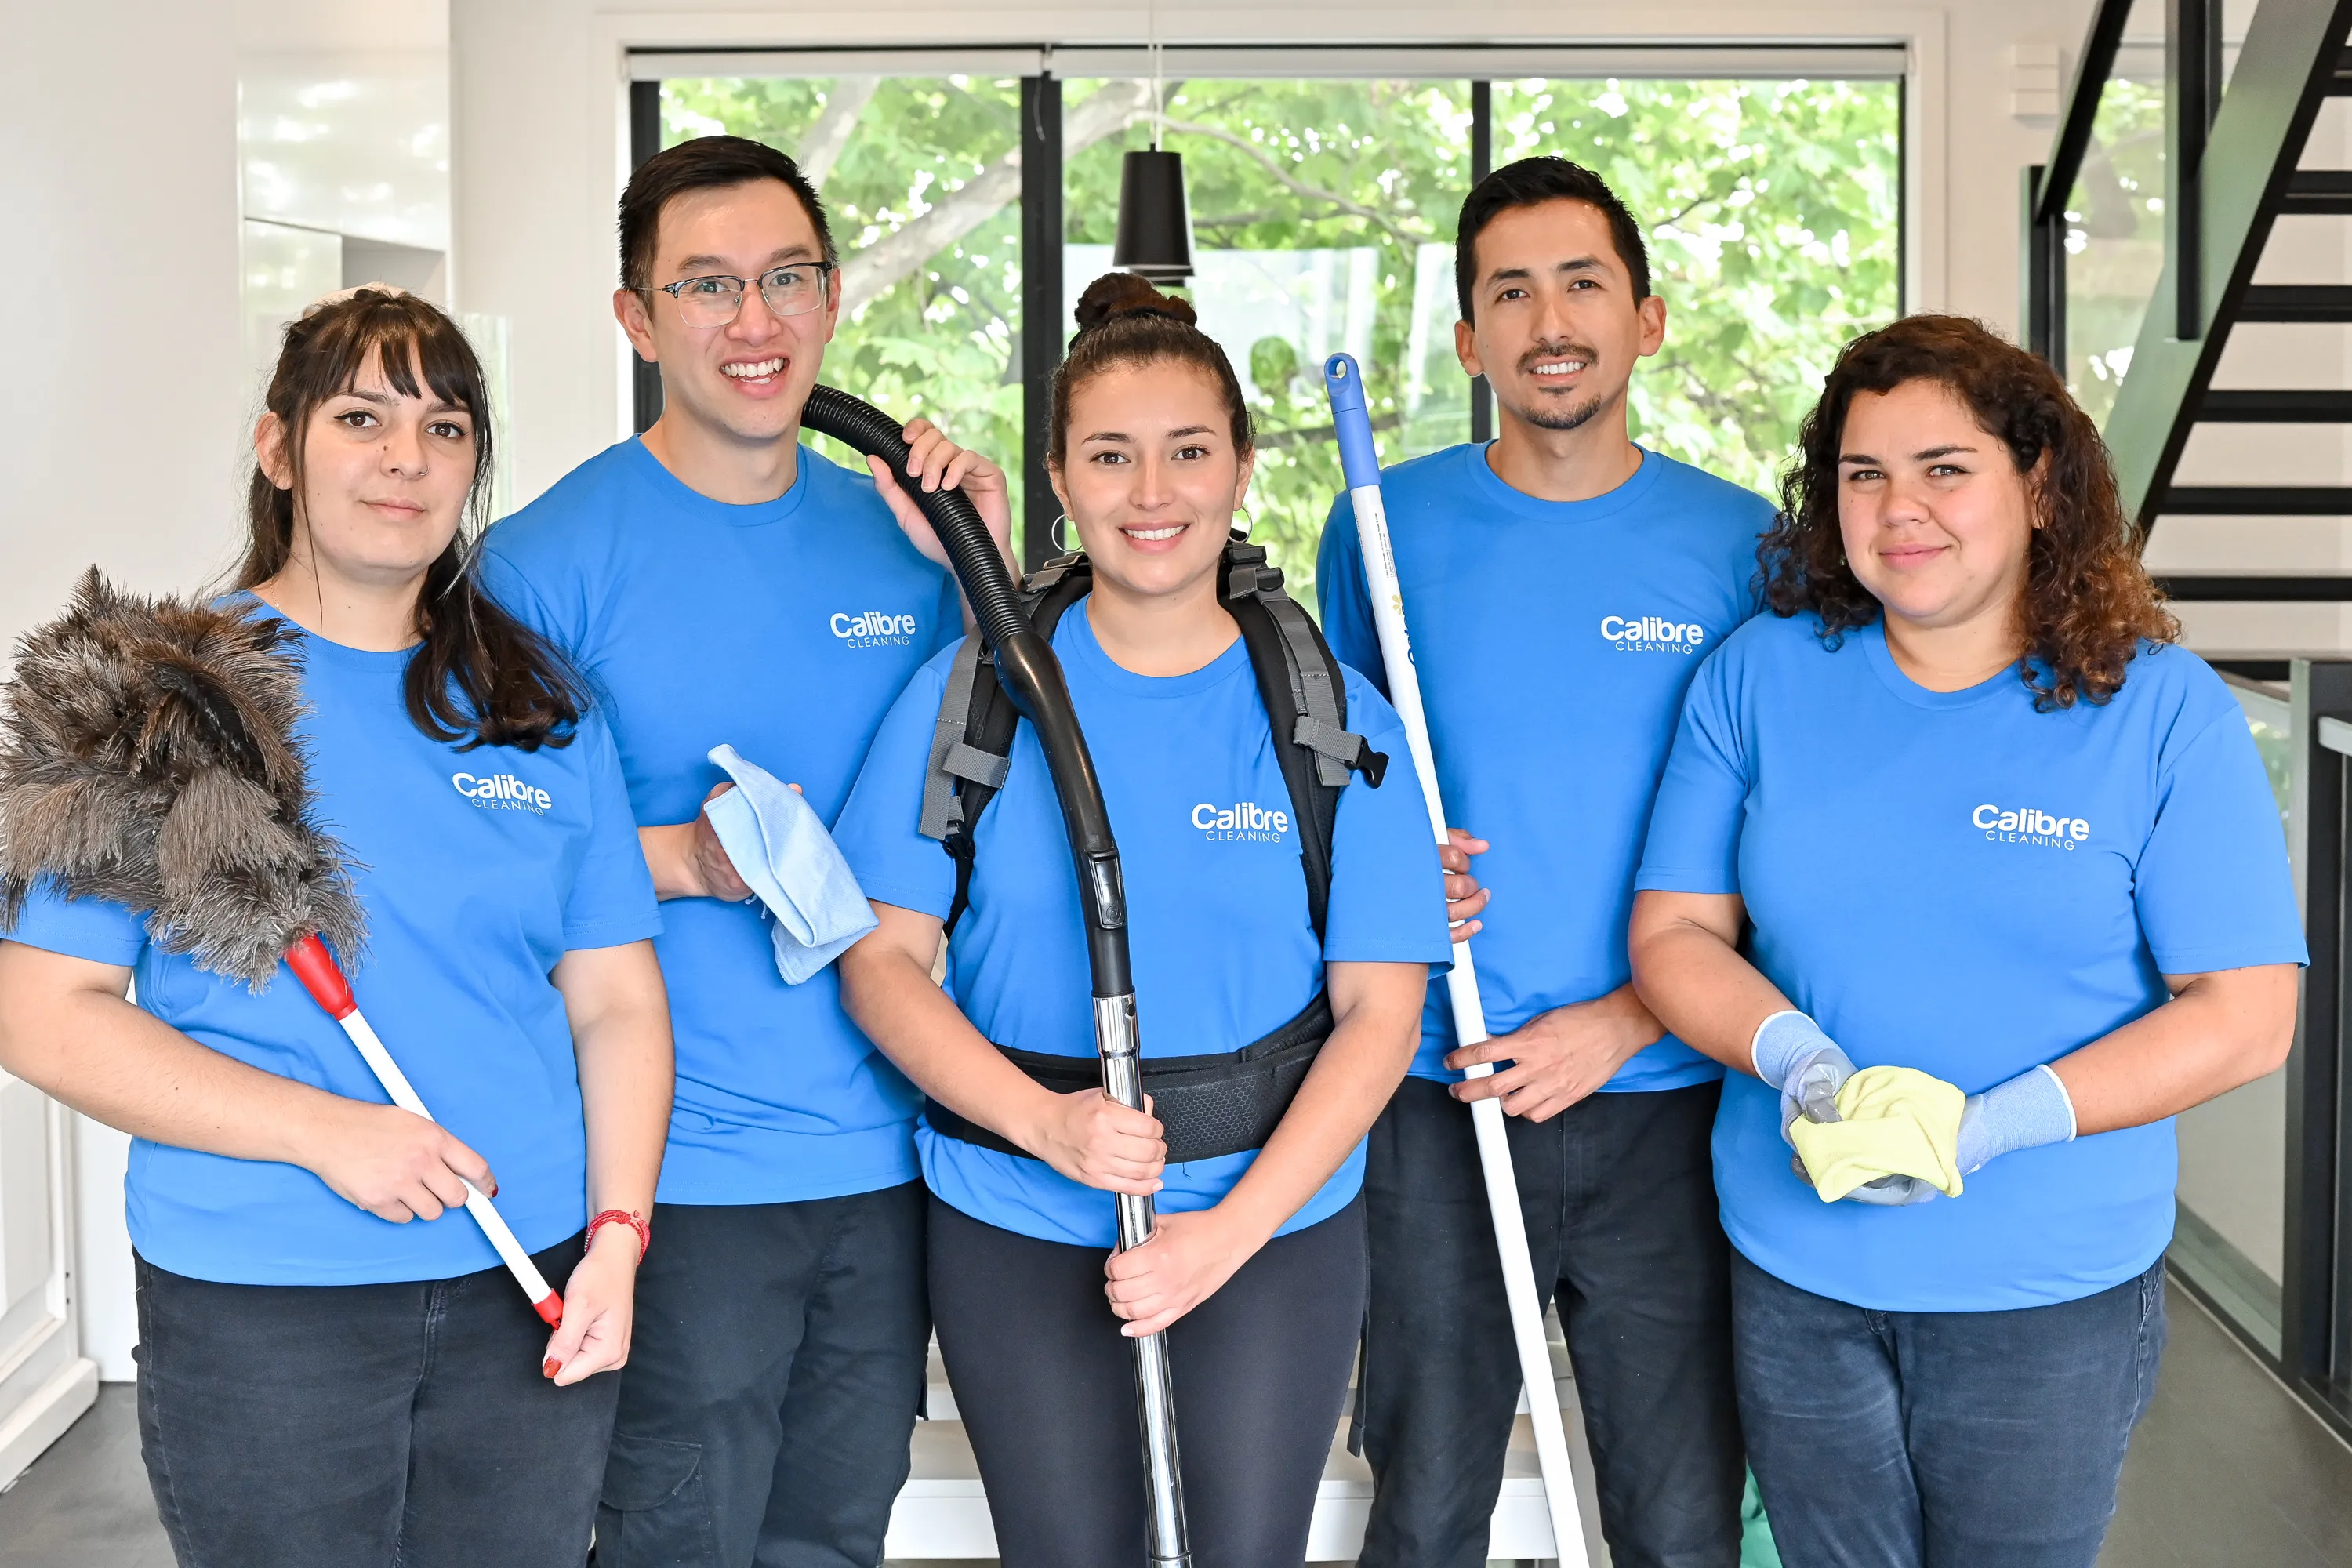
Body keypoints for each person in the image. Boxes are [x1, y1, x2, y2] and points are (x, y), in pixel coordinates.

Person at [0, 288, 673, 1568]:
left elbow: (618, 999)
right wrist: (328, 1134)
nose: (406, 458)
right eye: (362, 416)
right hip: (267, 1302)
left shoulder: (537, 704)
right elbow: (39, 1012)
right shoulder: (158, 707)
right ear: (279, 448)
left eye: (446, 426)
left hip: (524, 1271)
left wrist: (621, 1238)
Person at [1627, 314, 2303, 1566]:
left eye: (1947, 469)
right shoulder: (1760, 679)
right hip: (1799, 1269)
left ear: (2039, 485)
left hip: (2045, 1293)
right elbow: (1672, 934)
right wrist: (1802, 1063)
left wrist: (1996, 1124)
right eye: (1863, 474)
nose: (1901, 509)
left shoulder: (2156, 709)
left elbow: (2249, 1012)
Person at [830, 272, 1450, 1566]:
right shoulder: (980, 698)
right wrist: (1044, 1122)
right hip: (1017, 1207)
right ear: (1060, 477)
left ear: (1241, 470)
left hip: (1267, 1220)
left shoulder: (1330, 719)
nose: (1152, 494)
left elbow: (1382, 1015)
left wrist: (1226, 1234)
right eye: (1111, 456)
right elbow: (884, 966)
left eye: (1188, 453)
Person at [480, 135, 1011, 1567]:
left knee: (839, 1533)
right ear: (637, 319)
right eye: (706, 287)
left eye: (784, 278)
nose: (755, 321)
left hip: (894, 1147)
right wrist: (685, 860)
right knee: (678, 1539)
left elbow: (1001, 795)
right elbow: (486, 858)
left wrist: (992, 570)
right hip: (680, 1172)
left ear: (833, 298)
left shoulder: (912, 541)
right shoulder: (545, 561)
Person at [1315, 156, 1769, 1566]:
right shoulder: (1383, 527)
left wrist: (1634, 1015)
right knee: (1429, 1505)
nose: (1548, 317)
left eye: (1582, 282)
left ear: (1648, 317)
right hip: (1440, 1087)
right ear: (1468, 340)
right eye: (1509, 290)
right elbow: (1330, 778)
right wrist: (1391, 871)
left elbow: (1787, 839)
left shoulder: (1745, 546)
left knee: (1678, 1515)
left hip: (1671, 1107)